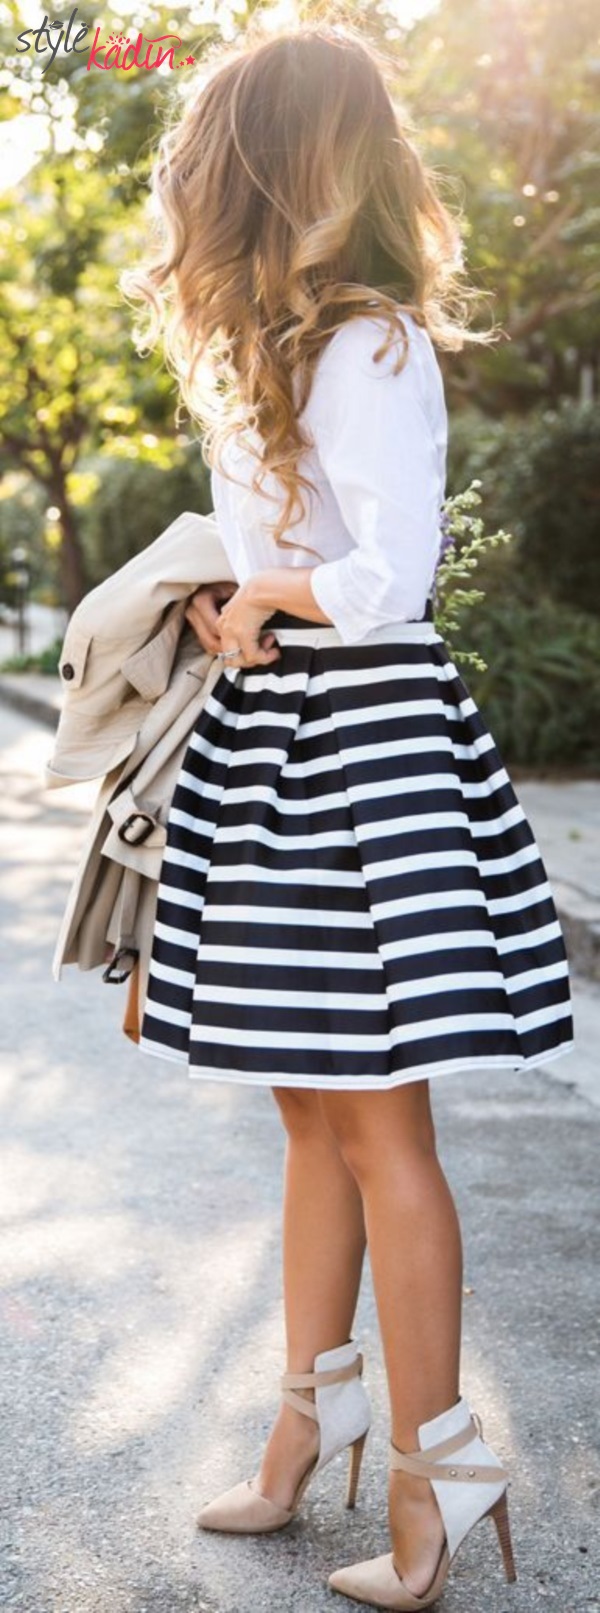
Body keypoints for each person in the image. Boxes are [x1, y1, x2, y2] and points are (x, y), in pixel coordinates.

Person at [122, 22, 574, 1609]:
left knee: (382, 1121)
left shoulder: (371, 343)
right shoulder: (269, 348)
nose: (190, 177)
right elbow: (297, 556)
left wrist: (273, 594)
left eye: (211, 151)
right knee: (307, 1107)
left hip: (365, 741)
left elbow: (391, 577)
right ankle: (306, 1425)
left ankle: (439, 1473)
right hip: (279, 735)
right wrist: (229, 600)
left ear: (269, 167)